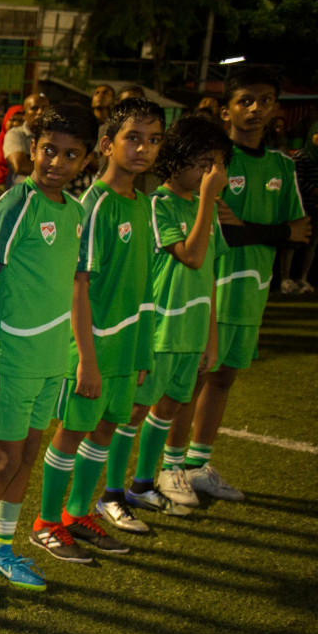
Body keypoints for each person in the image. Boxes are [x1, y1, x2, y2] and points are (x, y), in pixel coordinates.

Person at [0, 105, 94, 604]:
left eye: (70, 155)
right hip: (10, 355)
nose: (56, 162)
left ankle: (1, 549)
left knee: (28, 455)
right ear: (32, 150)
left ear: (85, 161)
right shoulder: (16, 203)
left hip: (52, 359)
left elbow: (73, 285)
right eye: (49, 150)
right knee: (2, 458)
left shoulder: (76, 213)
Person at [29, 97, 163, 563]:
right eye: (133, 138)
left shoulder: (144, 204)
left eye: (153, 140)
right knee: (71, 432)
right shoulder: (94, 205)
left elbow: (141, 286)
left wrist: (143, 350)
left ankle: (76, 513)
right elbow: (78, 285)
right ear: (106, 145)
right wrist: (85, 358)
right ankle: (45, 522)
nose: (143, 149)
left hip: (128, 347)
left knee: (107, 429)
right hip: (93, 347)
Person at [185, 64, 309, 499]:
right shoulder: (214, 162)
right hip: (211, 289)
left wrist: (253, 228)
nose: (256, 109)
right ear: (226, 110)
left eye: (265, 101)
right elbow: (225, 232)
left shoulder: (280, 165)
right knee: (194, 378)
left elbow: (300, 233)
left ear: (276, 108)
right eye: (245, 101)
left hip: (252, 292)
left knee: (224, 379)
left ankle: (197, 464)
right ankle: (169, 466)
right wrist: (271, 231)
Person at [108, 115, 230, 516]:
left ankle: (144, 483)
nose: (209, 174)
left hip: (192, 331)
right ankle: (111, 492)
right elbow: (191, 257)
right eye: (202, 164)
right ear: (176, 159)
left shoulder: (202, 207)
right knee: (136, 410)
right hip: (161, 329)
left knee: (170, 408)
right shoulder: (158, 204)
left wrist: (211, 337)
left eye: (216, 166)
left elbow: (209, 273)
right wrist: (210, 198)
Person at [285, 122, 318, 295]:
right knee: (293, 242)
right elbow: (296, 182)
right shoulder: (301, 156)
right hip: (301, 207)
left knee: (312, 243)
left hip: (316, 208)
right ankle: (285, 278)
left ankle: (303, 278)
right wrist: (314, 191)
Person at [2, 92, 49, 185]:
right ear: (24, 113)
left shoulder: (55, 136)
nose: (40, 112)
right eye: (34, 108)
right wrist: (52, 170)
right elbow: (20, 166)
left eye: (45, 108)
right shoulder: (15, 134)